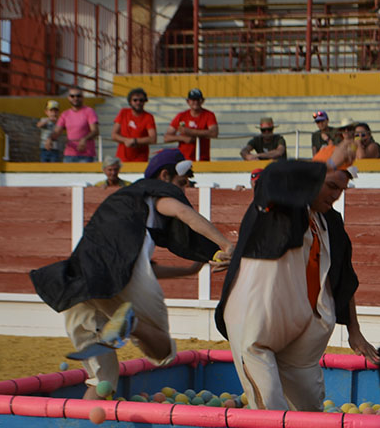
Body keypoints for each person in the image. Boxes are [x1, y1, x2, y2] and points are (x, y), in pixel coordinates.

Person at [30, 148, 233, 400]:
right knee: (163, 353)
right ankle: (131, 324)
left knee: (101, 382)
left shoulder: (122, 207)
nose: (185, 187)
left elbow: (131, 267)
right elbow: (184, 214)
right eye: (182, 182)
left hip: (79, 281)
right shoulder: (154, 192)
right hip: (116, 277)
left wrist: (188, 269)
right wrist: (224, 245)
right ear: (165, 176)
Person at [215, 142, 378, 412]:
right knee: (270, 407)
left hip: (303, 331)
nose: (336, 196)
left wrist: (354, 330)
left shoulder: (331, 222)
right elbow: (272, 175)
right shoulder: (281, 207)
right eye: (331, 186)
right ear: (310, 179)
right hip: (258, 323)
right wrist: (326, 164)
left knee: (310, 409)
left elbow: (343, 277)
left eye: (341, 190)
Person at [163, 88, 218, 162]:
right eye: (193, 100)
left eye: (198, 99)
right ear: (188, 101)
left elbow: (214, 133)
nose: (196, 102)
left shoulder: (209, 115)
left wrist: (189, 131)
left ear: (202, 101)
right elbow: (166, 137)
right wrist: (182, 138)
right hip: (183, 159)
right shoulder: (181, 116)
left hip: (202, 158)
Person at [47, 86, 99, 163]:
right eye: (72, 96)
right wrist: (49, 139)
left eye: (78, 96)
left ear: (82, 97)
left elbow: (95, 131)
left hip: (86, 155)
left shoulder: (89, 111)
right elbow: (57, 131)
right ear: (68, 98)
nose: (75, 98)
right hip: (69, 155)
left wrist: (84, 139)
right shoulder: (65, 114)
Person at [112, 87, 157, 163]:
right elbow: (114, 135)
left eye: (141, 100)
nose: (138, 102)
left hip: (140, 159)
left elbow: (153, 139)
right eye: (135, 100)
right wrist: (126, 140)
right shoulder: (123, 112)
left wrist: (135, 141)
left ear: (145, 102)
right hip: (122, 158)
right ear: (130, 101)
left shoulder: (148, 117)